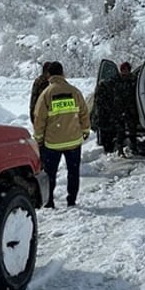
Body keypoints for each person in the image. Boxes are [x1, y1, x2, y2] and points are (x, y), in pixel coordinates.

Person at [32, 62, 91, 208]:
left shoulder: (46, 94)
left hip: (53, 143)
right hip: (73, 141)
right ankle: (71, 200)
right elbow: (84, 113)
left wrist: (39, 139)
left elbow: (39, 119)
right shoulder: (75, 92)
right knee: (73, 172)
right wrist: (85, 130)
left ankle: (49, 201)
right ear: (63, 73)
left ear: (49, 75)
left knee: (50, 174)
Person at [113, 62, 139, 156]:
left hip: (130, 108)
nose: (125, 71)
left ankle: (134, 147)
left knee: (132, 130)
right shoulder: (116, 80)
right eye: (123, 69)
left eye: (127, 69)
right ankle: (120, 149)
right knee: (120, 131)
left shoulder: (133, 79)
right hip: (119, 109)